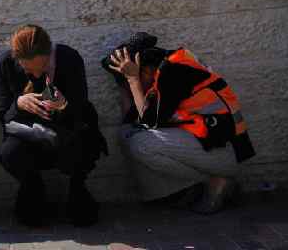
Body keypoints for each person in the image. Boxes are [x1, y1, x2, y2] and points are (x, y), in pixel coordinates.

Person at [105, 32, 255, 214]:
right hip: (205, 145)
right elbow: (131, 119)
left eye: (135, 76)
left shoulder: (173, 70)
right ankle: (189, 190)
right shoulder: (159, 71)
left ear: (144, 69)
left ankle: (216, 180)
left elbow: (149, 121)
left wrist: (132, 79)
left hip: (225, 152)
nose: (132, 86)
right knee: (126, 133)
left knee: (141, 143)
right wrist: (125, 83)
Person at [0, 24, 106, 227]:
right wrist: (19, 103)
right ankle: (33, 189)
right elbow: (2, 114)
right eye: (29, 70)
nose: (36, 75)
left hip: (67, 129)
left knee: (83, 145)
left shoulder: (68, 57)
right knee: (9, 153)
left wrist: (63, 105)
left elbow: (81, 105)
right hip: (28, 133)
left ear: (48, 55)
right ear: (18, 61)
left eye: (42, 67)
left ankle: (77, 189)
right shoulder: (5, 64)